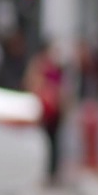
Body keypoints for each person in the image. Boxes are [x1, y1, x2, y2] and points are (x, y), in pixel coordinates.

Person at [25, 42, 65, 183]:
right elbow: (32, 84)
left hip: (55, 110)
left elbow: (63, 88)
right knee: (42, 140)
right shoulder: (38, 65)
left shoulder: (57, 66)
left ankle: (53, 171)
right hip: (44, 109)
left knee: (54, 141)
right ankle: (43, 169)